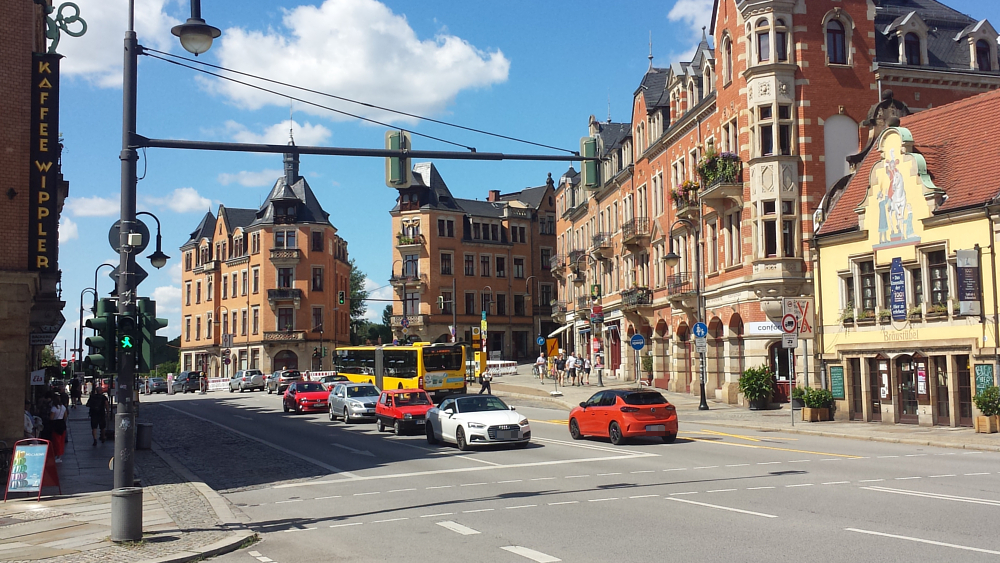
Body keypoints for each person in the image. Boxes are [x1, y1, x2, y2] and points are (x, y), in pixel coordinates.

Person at [49, 395, 68, 462]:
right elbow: (65, 416)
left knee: (56, 440)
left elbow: (51, 418)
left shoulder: (54, 408)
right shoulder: (63, 407)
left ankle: (56, 455)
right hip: (62, 423)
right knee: (61, 440)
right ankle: (60, 455)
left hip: (56, 424)